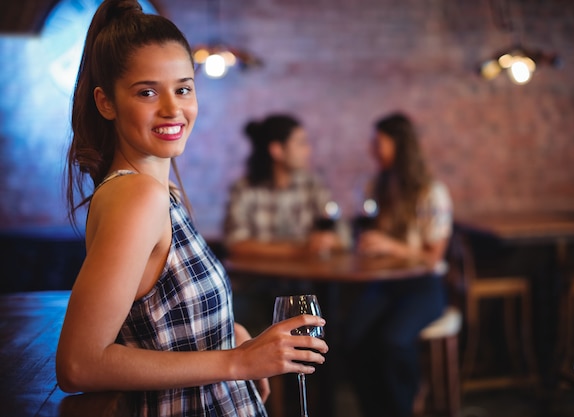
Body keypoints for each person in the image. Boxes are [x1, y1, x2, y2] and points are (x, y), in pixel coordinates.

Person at [55, 2, 328, 416]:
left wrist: (226, 336)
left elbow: (156, 325)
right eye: (147, 91)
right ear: (106, 102)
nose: (172, 108)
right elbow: (78, 365)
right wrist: (237, 361)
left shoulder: (156, 191)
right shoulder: (138, 198)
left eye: (182, 88)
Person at [342, 112, 453, 417]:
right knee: (350, 337)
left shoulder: (431, 192)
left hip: (424, 286)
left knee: (391, 342)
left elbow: (434, 257)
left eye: (378, 142)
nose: (371, 148)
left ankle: (403, 409)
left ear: (400, 146)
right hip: (385, 283)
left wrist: (390, 245)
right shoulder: (377, 186)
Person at [223, 114, 344, 258]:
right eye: (301, 143)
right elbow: (236, 244)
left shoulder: (312, 185)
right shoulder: (244, 189)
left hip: (306, 278)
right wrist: (300, 250)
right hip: (258, 278)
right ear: (277, 150)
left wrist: (328, 240)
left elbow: (342, 237)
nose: (308, 150)